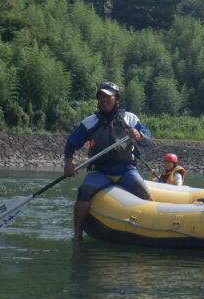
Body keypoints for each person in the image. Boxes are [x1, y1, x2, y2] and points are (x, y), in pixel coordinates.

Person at [64, 81, 152, 240]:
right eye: (100, 97)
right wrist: (68, 163)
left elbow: (147, 139)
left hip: (125, 170)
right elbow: (71, 143)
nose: (103, 100)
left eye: (108, 97)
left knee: (145, 195)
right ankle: (77, 235)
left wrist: (139, 136)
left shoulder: (130, 118)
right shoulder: (91, 121)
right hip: (100, 171)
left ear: (116, 99)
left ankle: (152, 231)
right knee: (83, 191)